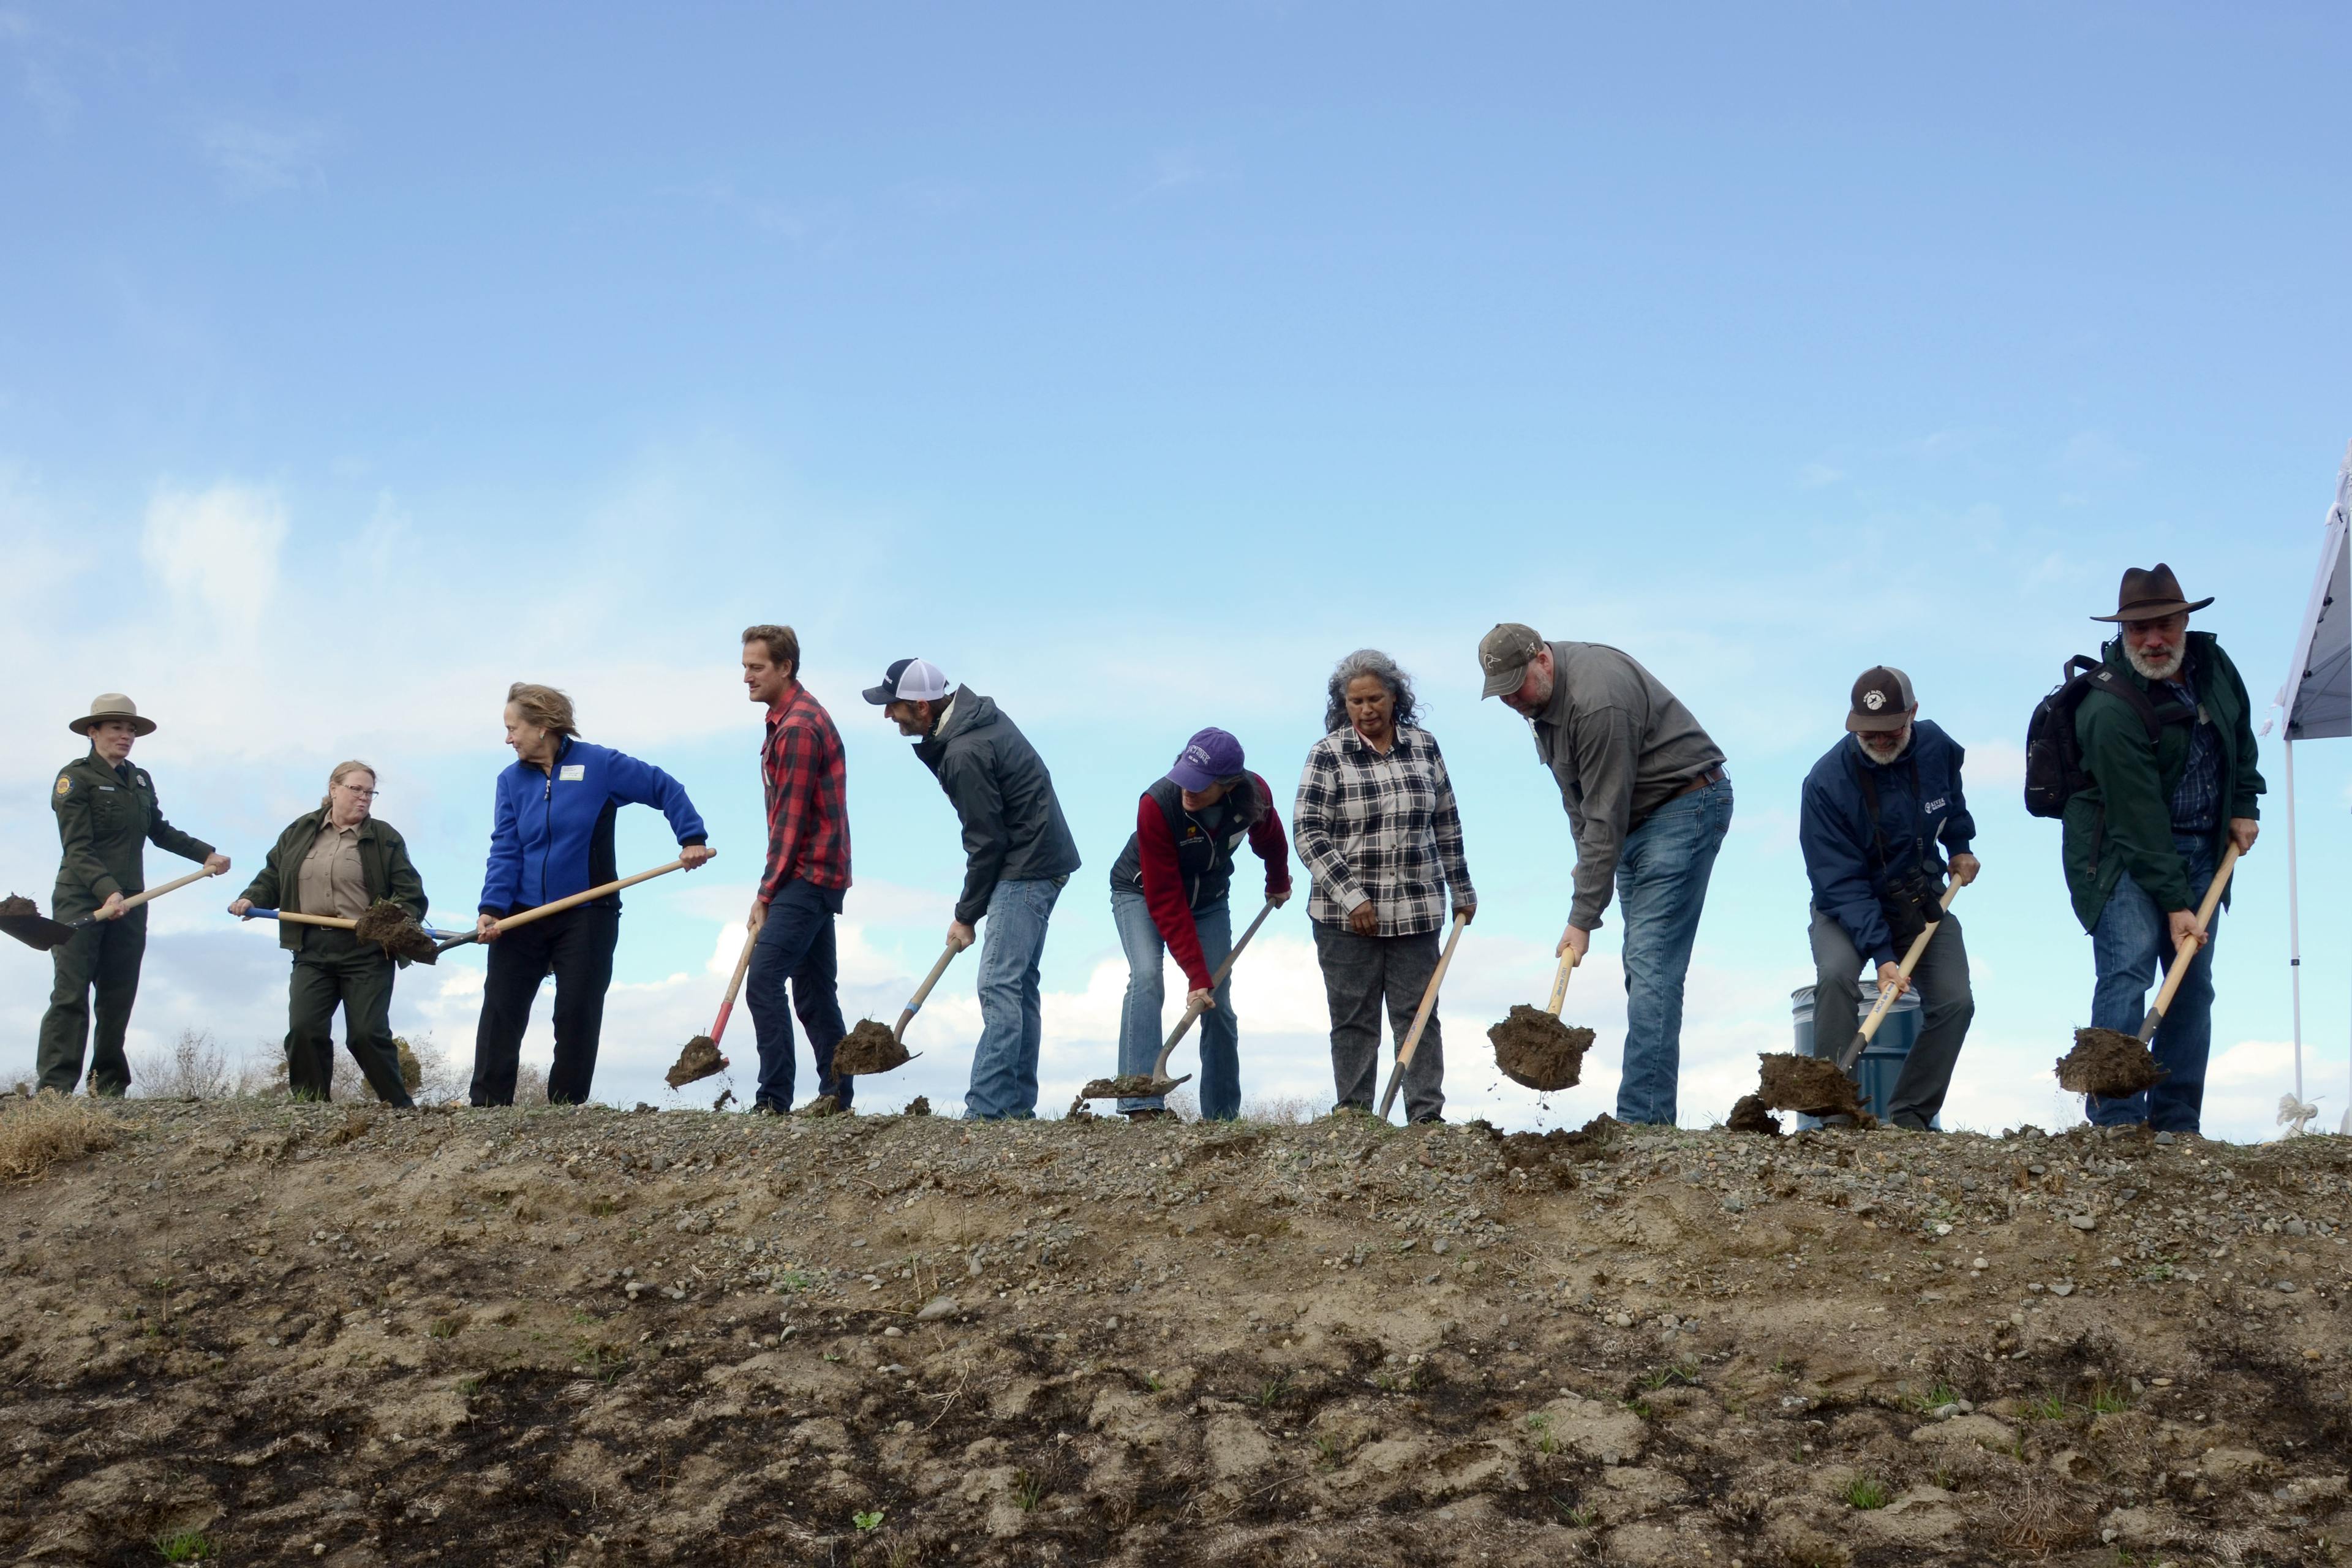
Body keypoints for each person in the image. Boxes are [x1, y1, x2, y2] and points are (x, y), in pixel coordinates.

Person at [1482, 624, 1730, 1126]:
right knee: (1642, 963)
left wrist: (1582, 917)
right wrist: (1586, 872)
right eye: (1502, 693)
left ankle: (1644, 1122)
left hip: (1683, 806)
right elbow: (1579, 804)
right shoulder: (1540, 706)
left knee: (1652, 960)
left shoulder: (1597, 702)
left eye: (1518, 685)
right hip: (1635, 823)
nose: (1513, 700)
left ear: (1543, 661)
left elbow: (1605, 814)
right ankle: (1648, 1113)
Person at [2067, 565, 2262, 1133]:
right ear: (2125, 634)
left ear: (2184, 621)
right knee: (2128, 971)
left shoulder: (2214, 666)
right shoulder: (2107, 706)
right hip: (2120, 854)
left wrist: (2243, 804)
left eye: (2165, 625)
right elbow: (2136, 817)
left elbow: (2240, 738)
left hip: (2204, 843)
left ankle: (2178, 1123)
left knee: (2193, 983)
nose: (2154, 641)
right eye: (2140, 630)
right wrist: (2177, 904)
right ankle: (2116, 1118)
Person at [470, 682, 714, 1106]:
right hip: (521, 913)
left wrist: (690, 836)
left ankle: (566, 1108)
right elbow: (505, 847)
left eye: (513, 728)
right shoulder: (509, 781)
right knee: (501, 1008)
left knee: (576, 1011)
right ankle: (488, 1107)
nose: (508, 738)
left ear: (544, 726)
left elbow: (664, 787)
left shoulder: (600, 765)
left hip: (588, 911)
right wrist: (492, 908)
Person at [865, 657, 1080, 1120]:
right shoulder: (976, 717)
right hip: (1041, 856)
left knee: (998, 982)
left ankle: (986, 1112)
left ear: (923, 707)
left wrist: (966, 914)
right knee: (1019, 986)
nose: (888, 715)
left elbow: (986, 841)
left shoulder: (964, 752)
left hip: (1025, 865)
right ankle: (1016, 1109)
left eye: (895, 706)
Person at [1294, 650, 1476, 1124]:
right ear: (1344, 705)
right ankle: (1353, 1116)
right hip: (1343, 919)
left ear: (1395, 697)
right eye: (1355, 701)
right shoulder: (1328, 754)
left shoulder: (1424, 747)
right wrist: (1353, 897)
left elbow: (1447, 824)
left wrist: (1462, 889)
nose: (1366, 709)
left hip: (1415, 909)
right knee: (1354, 1019)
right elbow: (1310, 833)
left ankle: (1426, 1116)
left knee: (1418, 1016)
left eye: (1375, 698)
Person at [1798, 668, 1980, 1129]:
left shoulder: (1937, 747)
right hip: (1845, 905)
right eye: (1867, 732)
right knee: (1837, 976)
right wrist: (1882, 954)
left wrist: (1960, 846)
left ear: (1913, 714)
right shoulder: (1825, 783)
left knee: (1956, 1002)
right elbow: (1839, 882)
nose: (1879, 740)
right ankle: (1836, 1118)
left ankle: (1911, 1115)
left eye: (1890, 729)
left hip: (1920, 900)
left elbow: (1951, 802)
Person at [36, 694, 230, 1096]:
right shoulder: (75, 779)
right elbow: (78, 849)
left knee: (117, 994)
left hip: (132, 902)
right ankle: (54, 1089)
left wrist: (205, 853)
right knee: (71, 993)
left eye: (130, 729)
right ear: (93, 733)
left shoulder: (139, 780)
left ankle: (107, 1086)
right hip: (82, 899)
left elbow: (159, 830)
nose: (125, 736)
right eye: (116, 728)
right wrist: (108, 893)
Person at [1108, 728, 1294, 1120]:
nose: (1187, 791)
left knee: (1218, 1004)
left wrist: (1278, 881)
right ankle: (1141, 1102)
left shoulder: (1253, 796)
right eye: (1184, 778)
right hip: (1141, 892)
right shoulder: (1156, 805)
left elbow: (1272, 840)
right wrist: (1195, 975)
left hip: (1209, 901)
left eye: (1200, 785)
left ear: (1228, 785)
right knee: (1146, 978)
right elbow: (1165, 899)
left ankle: (1221, 1117)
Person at [229, 761, 428, 1106]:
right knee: (305, 1030)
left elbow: (410, 895)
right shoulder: (299, 831)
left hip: (367, 949)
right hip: (311, 948)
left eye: (370, 792)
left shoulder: (384, 838)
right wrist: (252, 898)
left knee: (366, 1034)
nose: (364, 798)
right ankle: (311, 1109)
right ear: (334, 788)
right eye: (356, 790)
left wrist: (389, 918)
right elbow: (274, 875)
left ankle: (399, 1107)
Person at [739, 625, 853, 1115]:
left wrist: (765, 893)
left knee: (764, 980)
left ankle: (772, 1099)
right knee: (812, 994)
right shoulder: (788, 719)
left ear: (785, 668)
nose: (747, 677)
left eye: (757, 668)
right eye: (744, 667)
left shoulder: (799, 728)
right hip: (814, 875)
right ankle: (836, 1095)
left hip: (806, 875)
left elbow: (791, 820)